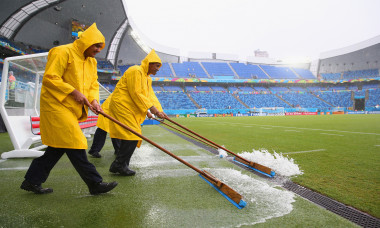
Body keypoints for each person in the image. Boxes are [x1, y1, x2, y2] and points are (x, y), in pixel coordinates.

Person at [20, 23, 117, 195]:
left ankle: (32, 181)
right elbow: (50, 78)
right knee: (76, 141)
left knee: (57, 147)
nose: (98, 50)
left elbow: (93, 85)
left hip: (71, 108)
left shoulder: (92, 62)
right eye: (96, 45)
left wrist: (94, 100)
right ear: (86, 42)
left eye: (100, 47)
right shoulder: (62, 51)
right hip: (56, 105)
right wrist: (72, 91)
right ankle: (95, 183)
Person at [108, 49, 168, 176]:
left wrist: (159, 111)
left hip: (130, 107)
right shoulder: (136, 71)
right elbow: (136, 92)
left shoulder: (147, 78)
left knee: (131, 135)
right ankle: (118, 164)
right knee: (133, 135)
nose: (158, 69)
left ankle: (122, 165)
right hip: (122, 105)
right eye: (157, 66)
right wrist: (153, 109)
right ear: (149, 63)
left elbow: (150, 95)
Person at [88, 93, 121, 158]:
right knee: (103, 130)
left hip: (113, 111)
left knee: (114, 131)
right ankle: (94, 150)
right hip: (108, 111)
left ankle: (118, 150)